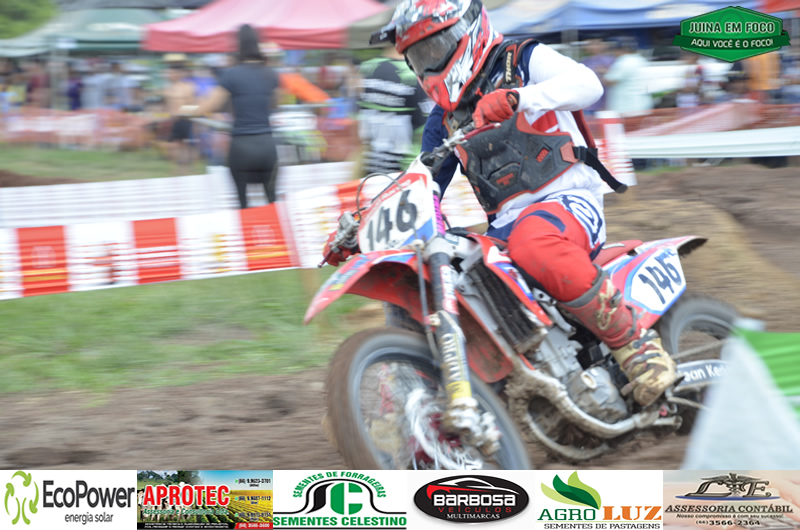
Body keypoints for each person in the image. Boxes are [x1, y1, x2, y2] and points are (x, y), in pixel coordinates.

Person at [324, 0, 677, 408]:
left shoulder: (521, 58)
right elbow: (421, 182)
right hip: (503, 229)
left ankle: (636, 346)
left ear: (466, 30)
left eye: (435, 47)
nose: (430, 62)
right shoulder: (444, 117)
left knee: (534, 243)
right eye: (419, 55)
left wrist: (520, 97)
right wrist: (364, 229)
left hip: (568, 200)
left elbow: (588, 84)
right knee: (432, 276)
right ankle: (416, 402)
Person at [186, 24, 280, 208]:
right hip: (267, 146)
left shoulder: (231, 74)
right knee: (272, 204)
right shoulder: (271, 74)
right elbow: (275, 104)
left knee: (242, 206)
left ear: (238, 45)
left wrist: (187, 110)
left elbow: (210, 105)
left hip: (241, 147)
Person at [356, 42, 431, 177]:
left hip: (371, 171)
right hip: (406, 174)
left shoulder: (366, 69)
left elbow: (360, 135)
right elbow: (427, 133)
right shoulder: (414, 74)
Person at [163, 56, 198, 175]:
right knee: (174, 144)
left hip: (185, 119)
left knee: (185, 145)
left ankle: (186, 168)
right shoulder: (168, 88)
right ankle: (178, 167)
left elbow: (194, 104)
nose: (169, 75)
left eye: (171, 73)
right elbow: (168, 105)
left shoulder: (188, 87)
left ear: (178, 74)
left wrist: (182, 114)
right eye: (168, 73)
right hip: (174, 119)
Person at [604, 36, 653, 115]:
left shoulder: (624, 61)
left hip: (627, 107)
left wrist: (600, 74)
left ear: (623, 49)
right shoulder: (641, 60)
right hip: (642, 104)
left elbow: (610, 81)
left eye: (614, 50)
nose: (613, 53)